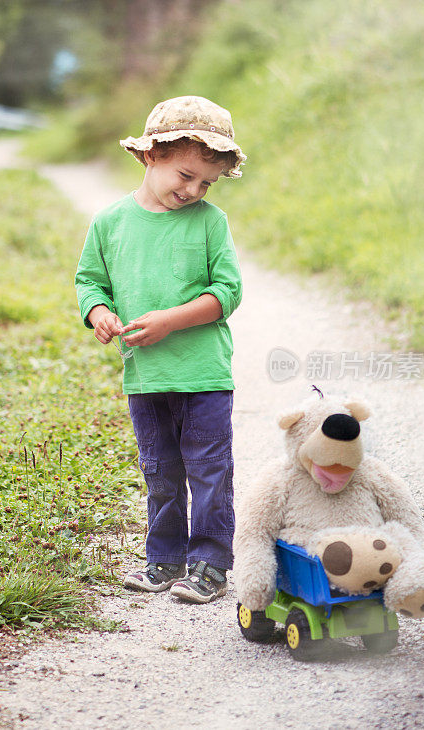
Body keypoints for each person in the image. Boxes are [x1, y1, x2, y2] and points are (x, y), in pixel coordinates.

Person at [74, 96, 246, 604]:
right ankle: (165, 557)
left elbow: (227, 292)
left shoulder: (211, 222)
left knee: (210, 469)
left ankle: (211, 562)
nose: (193, 190)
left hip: (203, 375)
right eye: (185, 175)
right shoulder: (110, 223)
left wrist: (172, 321)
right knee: (161, 471)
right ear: (151, 156)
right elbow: (89, 282)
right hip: (145, 377)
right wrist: (98, 313)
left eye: (205, 183)